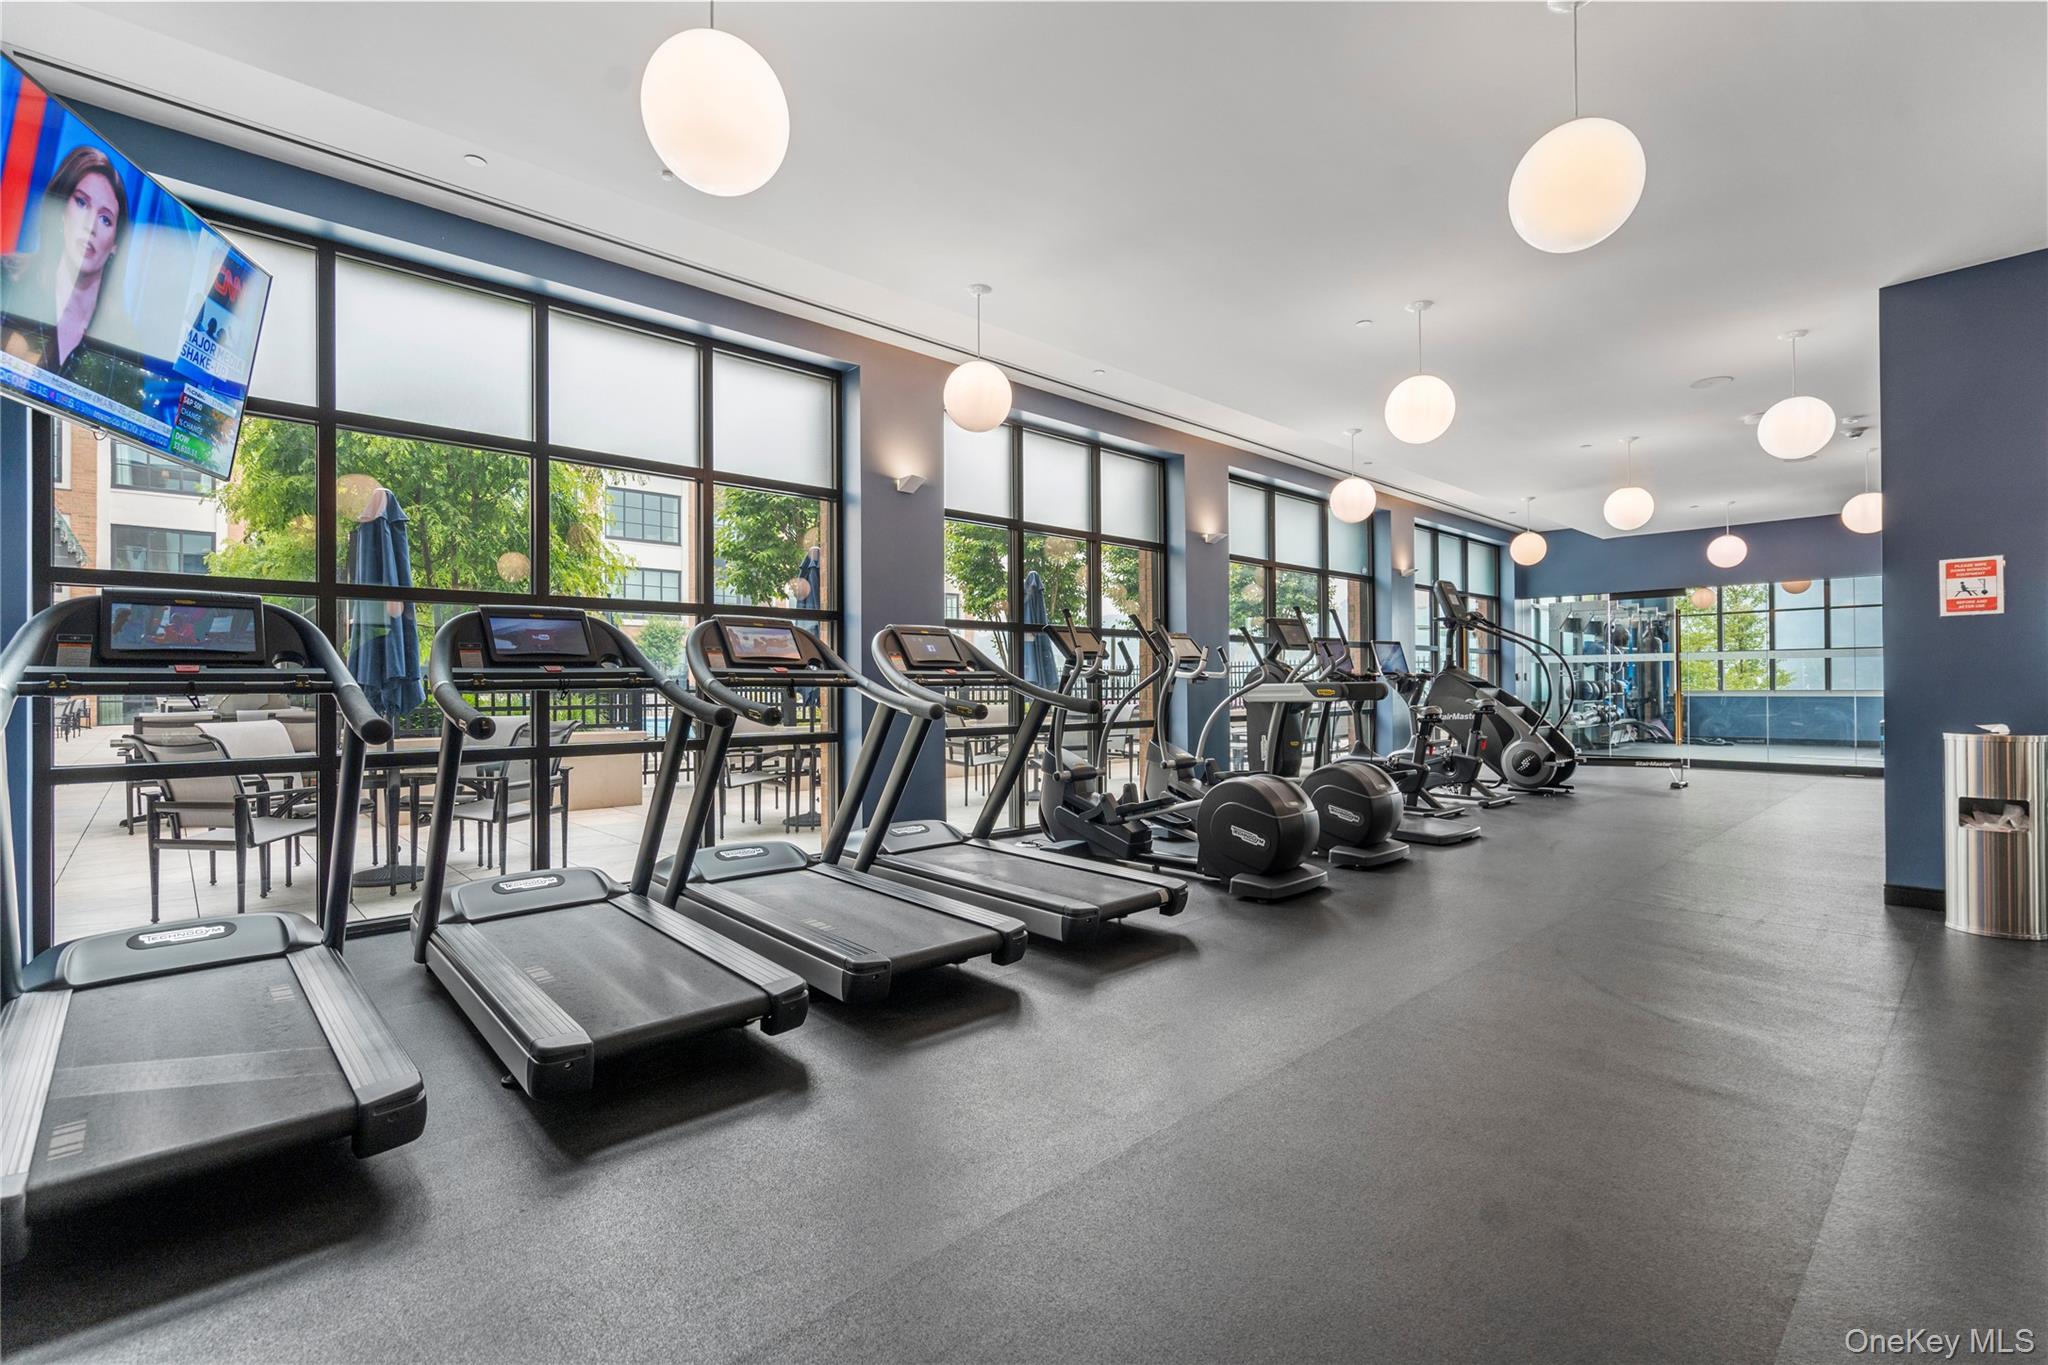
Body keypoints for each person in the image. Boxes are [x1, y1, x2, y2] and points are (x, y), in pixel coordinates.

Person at [1, 145, 146, 408]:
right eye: (81, 203)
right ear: (60, 213)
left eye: (105, 219)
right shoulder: (5, 280)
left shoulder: (125, 346)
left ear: (115, 243)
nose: (90, 226)